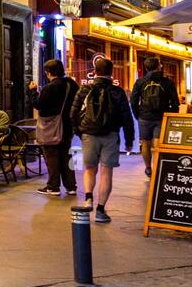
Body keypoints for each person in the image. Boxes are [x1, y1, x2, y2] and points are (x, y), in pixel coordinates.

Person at [70, 56, 136, 224]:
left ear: (94, 71)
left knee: (90, 169)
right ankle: (100, 210)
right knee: (107, 172)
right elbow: (127, 118)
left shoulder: (84, 89)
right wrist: (129, 140)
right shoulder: (118, 92)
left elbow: (73, 114)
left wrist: (79, 132)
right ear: (111, 72)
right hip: (110, 135)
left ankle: (88, 199)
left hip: (89, 135)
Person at [31, 58, 79, 196]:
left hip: (52, 127)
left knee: (51, 155)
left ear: (48, 72)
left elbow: (38, 104)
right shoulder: (72, 84)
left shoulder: (49, 88)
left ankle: (53, 186)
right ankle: (71, 187)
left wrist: (33, 91)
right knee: (66, 155)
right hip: (68, 126)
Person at [130, 55, 180, 178]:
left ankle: (148, 168)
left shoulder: (140, 82)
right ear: (158, 66)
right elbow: (175, 102)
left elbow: (133, 101)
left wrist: (138, 114)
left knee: (145, 143)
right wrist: (171, 116)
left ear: (146, 68)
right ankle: (158, 167)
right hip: (161, 117)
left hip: (144, 117)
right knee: (158, 143)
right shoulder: (167, 82)